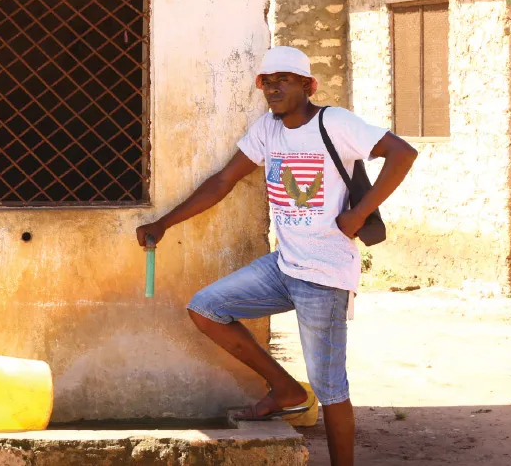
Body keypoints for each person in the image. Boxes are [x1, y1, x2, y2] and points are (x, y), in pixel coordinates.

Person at [136, 46, 418, 466]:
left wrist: (357, 215)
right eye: (267, 81)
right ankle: (285, 389)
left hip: (324, 275)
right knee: (207, 308)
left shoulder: (334, 123)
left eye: (283, 79)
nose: (273, 88)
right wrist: (165, 223)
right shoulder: (268, 130)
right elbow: (224, 181)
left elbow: (403, 153)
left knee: (330, 389)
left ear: (308, 85)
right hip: (284, 266)